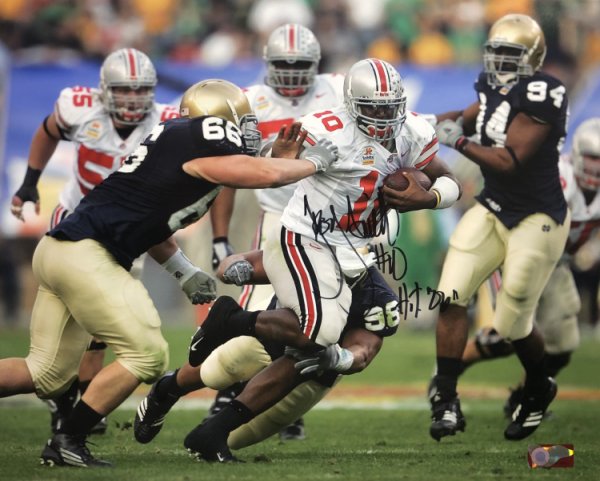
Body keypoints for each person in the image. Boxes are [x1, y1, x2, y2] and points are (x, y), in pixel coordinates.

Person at [0, 79, 339, 468]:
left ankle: (67, 439)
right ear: (217, 120)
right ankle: (68, 440)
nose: (247, 128)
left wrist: (185, 272)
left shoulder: (176, 145)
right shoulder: (199, 137)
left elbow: (151, 224)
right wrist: (311, 163)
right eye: (240, 120)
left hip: (60, 250)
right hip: (85, 255)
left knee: (44, 373)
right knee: (147, 355)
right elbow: (260, 173)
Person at [172, 57, 461, 463]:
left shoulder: (412, 131)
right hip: (308, 238)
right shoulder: (327, 128)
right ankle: (234, 319)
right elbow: (264, 166)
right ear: (351, 103)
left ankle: (217, 426)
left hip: (359, 254)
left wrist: (428, 197)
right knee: (317, 335)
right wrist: (281, 156)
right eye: (373, 107)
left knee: (353, 331)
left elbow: (449, 180)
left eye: (389, 106)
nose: (382, 116)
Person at [9, 47, 180, 435]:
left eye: (140, 90)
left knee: (101, 330)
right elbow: (48, 130)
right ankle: (69, 404)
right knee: (79, 329)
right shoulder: (79, 108)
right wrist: (30, 183)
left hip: (122, 233)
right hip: (75, 222)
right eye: (124, 90)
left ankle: (81, 404)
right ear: (104, 90)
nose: (133, 98)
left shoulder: (166, 122)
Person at [425, 13, 570, 442]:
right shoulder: (494, 85)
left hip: (537, 215)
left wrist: (459, 142)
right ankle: (446, 397)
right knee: (450, 294)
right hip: (494, 206)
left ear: (533, 57)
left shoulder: (547, 90)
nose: (501, 62)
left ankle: (539, 388)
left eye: (511, 54)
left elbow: (510, 159)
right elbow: (472, 114)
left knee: (512, 324)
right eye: (497, 53)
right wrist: (418, 124)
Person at [206, 22, 346, 441]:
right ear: (268, 63)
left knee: (316, 319)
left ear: (315, 64)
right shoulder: (249, 101)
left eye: (299, 63)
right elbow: (227, 176)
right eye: (283, 63)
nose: (290, 71)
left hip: (329, 225)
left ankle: (281, 401)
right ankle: (226, 388)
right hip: (277, 222)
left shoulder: (338, 89)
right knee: (256, 313)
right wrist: (219, 237)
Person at [133, 247, 400, 453]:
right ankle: (166, 391)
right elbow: (240, 264)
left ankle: (211, 433)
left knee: (237, 438)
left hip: (314, 369)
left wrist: (339, 357)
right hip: (268, 339)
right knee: (215, 372)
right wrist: (235, 268)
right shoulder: (307, 255)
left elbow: (363, 352)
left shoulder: (377, 298)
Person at [457, 118, 600, 416]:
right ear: (576, 154)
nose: (596, 168)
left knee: (562, 346)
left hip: (557, 265)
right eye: (592, 159)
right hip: (519, 256)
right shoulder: (556, 177)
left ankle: (525, 397)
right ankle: (447, 372)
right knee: (508, 337)